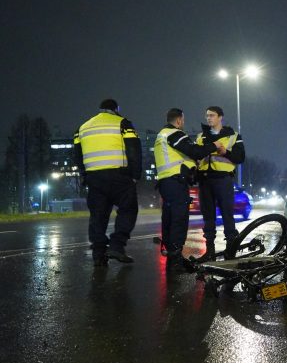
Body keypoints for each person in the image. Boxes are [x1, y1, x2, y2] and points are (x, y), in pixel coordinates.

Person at [154, 108, 224, 272]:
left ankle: (173, 256)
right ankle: (176, 260)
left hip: (166, 182)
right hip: (175, 183)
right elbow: (194, 151)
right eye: (183, 121)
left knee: (170, 219)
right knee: (179, 219)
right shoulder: (174, 133)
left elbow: (181, 156)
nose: (183, 124)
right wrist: (214, 145)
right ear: (179, 120)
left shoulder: (161, 135)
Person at [74, 99, 141, 267]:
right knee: (128, 209)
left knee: (98, 216)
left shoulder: (82, 128)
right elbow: (134, 149)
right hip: (120, 177)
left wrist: (85, 175)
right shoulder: (123, 123)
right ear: (116, 109)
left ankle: (98, 255)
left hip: (95, 179)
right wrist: (135, 175)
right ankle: (117, 246)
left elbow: (76, 155)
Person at [195, 106, 245, 261]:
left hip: (223, 179)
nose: (208, 118)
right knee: (208, 216)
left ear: (220, 117)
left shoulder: (233, 136)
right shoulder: (201, 136)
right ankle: (210, 251)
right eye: (207, 115)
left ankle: (231, 251)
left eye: (212, 115)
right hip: (205, 179)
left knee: (227, 215)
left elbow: (240, 157)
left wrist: (226, 153)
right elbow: (196, 156)